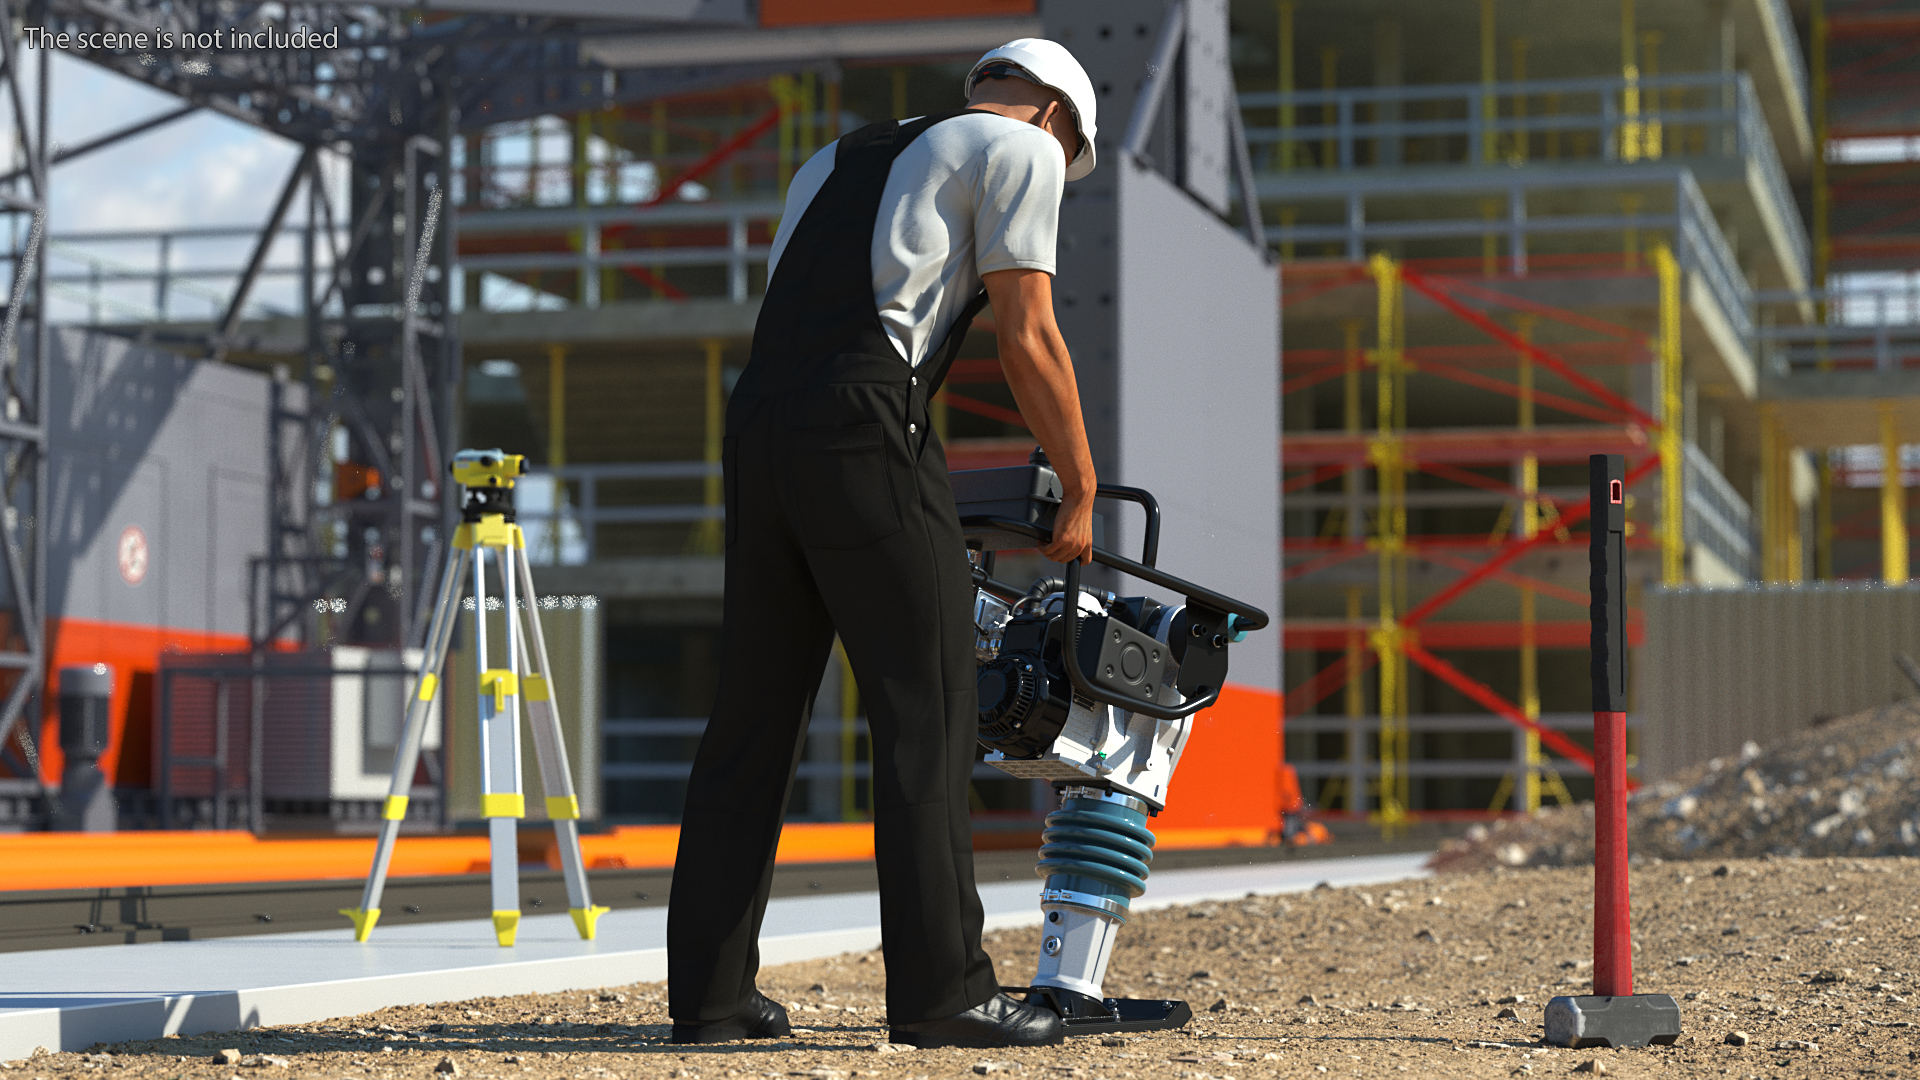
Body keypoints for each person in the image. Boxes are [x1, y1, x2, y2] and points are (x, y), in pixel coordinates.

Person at [666, 38, 1100, 1050]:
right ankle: (943, 991)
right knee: (929, 705)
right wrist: (1077, 482)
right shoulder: (1021, 150)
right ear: (1054, 118)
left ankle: (712, 999)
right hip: (867, 422)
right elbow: (1026, 333)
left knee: (751, 721)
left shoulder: (839, 155)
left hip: (760, 425)